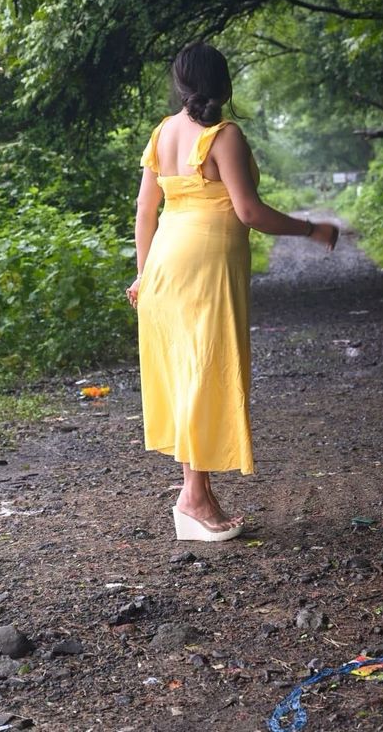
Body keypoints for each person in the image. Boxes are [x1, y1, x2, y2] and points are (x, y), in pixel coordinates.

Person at [125, 42, 339, 542]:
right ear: (224, 86)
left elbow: (144, 211)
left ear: (180, 85)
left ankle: (199, 496)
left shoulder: (162, 133)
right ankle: (193, 498)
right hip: (206, 268)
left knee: (186, 373)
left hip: (165, 265)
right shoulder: (225, 136)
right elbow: (250, 212)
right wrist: (312, 230)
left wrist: (144, 272)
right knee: (205, 371)